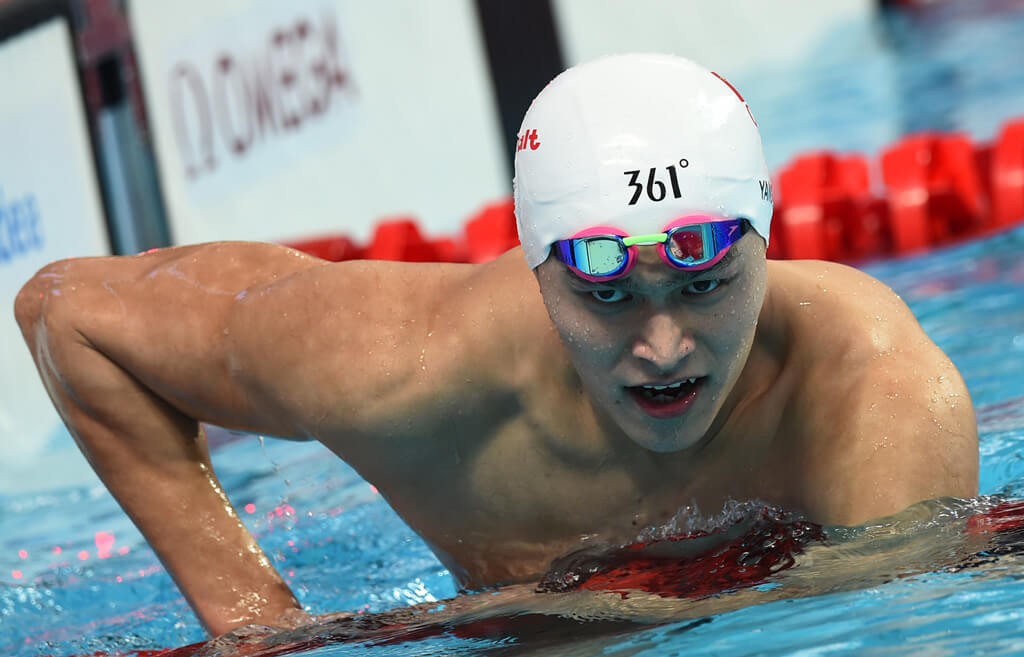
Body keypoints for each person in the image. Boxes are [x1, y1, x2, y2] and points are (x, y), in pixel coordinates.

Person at [13, 54, 977, 637]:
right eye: (607, 296)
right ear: (534, 268)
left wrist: (591, 609)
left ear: (766, 246)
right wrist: (253, 620)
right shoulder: (403, 367)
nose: (665, 342)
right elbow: (68, 312)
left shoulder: (876, 400)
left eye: (705, 283)